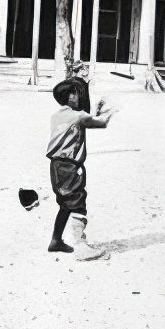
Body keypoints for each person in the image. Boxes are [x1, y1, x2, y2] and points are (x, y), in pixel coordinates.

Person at [47, 78, 114, 255]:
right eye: (76, 93)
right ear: (70, 96)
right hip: (70, 166)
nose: (78, 96)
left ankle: (56, 241)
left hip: (55, 166)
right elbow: (101, 123)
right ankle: (81, 248)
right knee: (77, 203)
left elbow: (83, 119)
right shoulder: (78, 116)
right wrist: (111, 109)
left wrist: (95, 111)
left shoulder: (57, 115)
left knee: (65, 204)